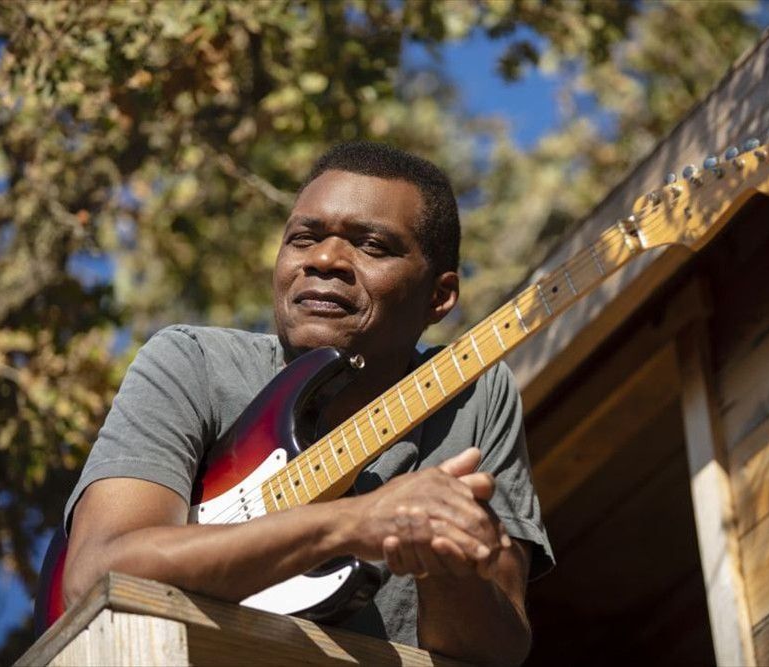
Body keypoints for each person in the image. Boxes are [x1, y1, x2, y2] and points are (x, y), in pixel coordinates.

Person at [62, 142, 553, 665]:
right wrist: (355, 522)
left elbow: (499, 649)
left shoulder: (476, 393)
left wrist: (446, 561)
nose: (324, 260)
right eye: (304, 238)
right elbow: (95, 574)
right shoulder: (194, 363)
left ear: (439, 296)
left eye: (372, 246)